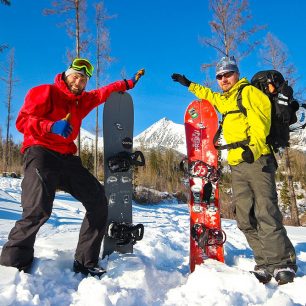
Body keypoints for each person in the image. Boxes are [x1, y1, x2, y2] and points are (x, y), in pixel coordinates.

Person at [0, 58, 144, 277]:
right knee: (37, 210)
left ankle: (85, 261)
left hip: (67, 159)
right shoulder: (45, 91)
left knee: (98, 201)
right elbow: (22, 122)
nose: (79, 82)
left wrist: (128, 83)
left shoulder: (81, 101)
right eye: (75, 76)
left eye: (84, 79)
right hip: (41, 153)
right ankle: (13, 266)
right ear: (66, 76)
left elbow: (103, 93)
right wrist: (51, 126)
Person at [171, 56, 297, 285]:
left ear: (236, 74)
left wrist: (254, 148)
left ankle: (282, 263)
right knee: (244, 217)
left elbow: (262, 123)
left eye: (227, 74)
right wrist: (189, 84)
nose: (223, 79)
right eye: (219, 76)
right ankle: (264, 262)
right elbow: (208, 96)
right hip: (237, 163)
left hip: (258, 159)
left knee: (265, 212)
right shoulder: (226, 100)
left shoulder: (249, 93)